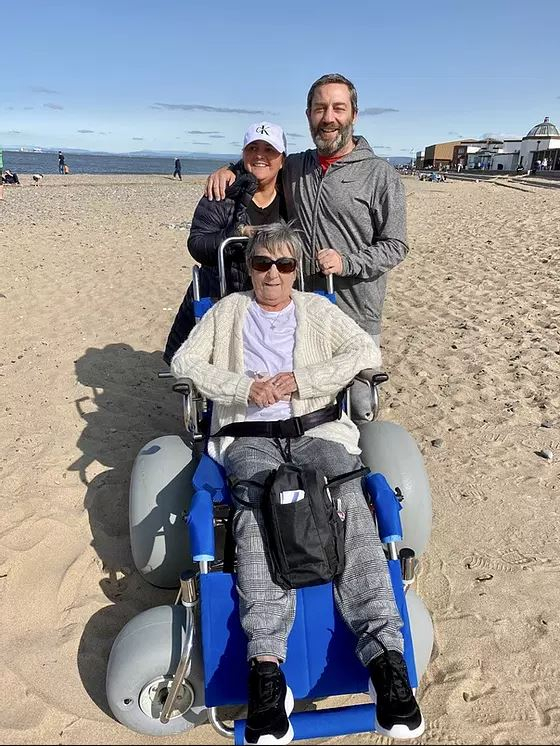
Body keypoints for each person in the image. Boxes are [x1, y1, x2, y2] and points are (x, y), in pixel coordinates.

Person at [170, 222, 424, 744]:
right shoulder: (227, 312)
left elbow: (365, 353)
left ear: (298, 271)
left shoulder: (318, 311)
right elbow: (185, 361)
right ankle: (267, 669)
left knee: (348, 500)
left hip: (317, 430)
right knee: (258, 511)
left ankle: (386, 660)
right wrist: (242, 387)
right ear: (249, 267)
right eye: (263, 263)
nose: (273, 275)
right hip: (249, 434)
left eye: (285, 265)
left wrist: (304, 381)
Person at [204, 74, 407, 422]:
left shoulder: (380, 174)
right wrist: (229, 169)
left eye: (338, 108)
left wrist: (348, 262)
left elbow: (396, 245)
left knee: (359, 405)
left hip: (356, 309)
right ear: (309, 115)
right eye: (319, 109)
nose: (329, 117)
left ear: (353, 115)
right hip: (299, 311)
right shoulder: (298, 166)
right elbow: (265, 160)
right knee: (304, 404)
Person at [163, 122, 288, 364]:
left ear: (282, 159)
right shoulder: (222, 192)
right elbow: (197, 244)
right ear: (243, 155)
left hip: (274, 297)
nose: (260, 155)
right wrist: (237, 234)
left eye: (269, 150)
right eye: (252, 148)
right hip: (223, 292)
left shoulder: (292, 197)